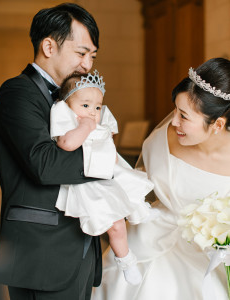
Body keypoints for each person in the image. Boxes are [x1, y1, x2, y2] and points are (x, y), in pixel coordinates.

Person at [0, 3, 103, 300]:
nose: (87, 66)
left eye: (92, 55)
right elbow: (45, 165)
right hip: (42, 253)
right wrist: (108, 163)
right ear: (49, 46)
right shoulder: (17, 93)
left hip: (76, 249)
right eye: (81, 53)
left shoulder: (72, 97)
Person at [92, 57, 230, 300]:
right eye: (175, 110)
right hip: (149, 241)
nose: (173, 121)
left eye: (184, 116)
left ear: (217, 124)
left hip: (207, 259)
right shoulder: (165, 139)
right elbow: (138, 184)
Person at [50, 71, 155, 285]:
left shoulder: (99, 120)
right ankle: (126, 259)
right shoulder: (68, 119)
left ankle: (126, 255)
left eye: (97, 107)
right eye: (85, 105)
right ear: (68, 105)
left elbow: (108, 144)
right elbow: (67, 144)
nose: (92, 112)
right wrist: (85, 127)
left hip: (106, 174)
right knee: (114, 223)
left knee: (127, 208)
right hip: (87, 180)